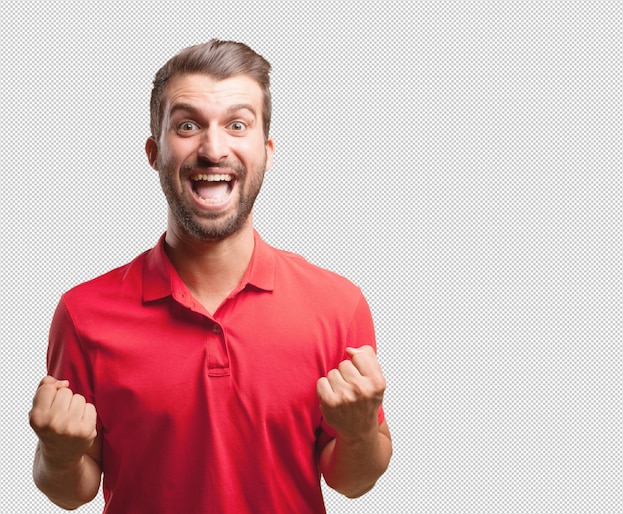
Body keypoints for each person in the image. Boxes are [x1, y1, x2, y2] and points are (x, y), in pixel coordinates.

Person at [28, 39, 392, 513]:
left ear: (266, 151)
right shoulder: (83, 313)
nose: (213, 148)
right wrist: (56, 456)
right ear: (155, 152)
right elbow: (73, 489)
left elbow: (351, 481)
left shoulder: (338, 305)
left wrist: (361, 432)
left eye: (237, 124)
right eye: (187, 125)